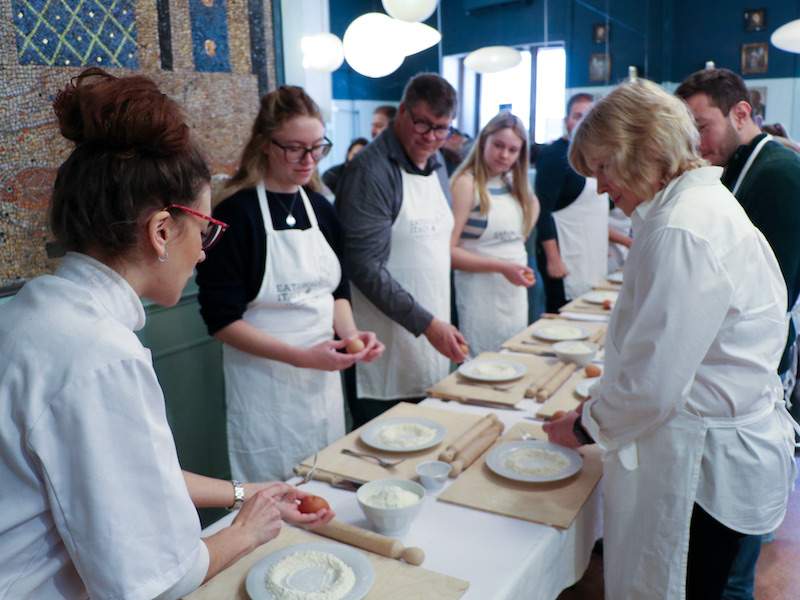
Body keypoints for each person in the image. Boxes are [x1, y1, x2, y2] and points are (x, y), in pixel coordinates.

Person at [0, 68, 333, 600]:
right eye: (203, 230)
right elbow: (149, 581)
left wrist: (249, 493)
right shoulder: (99, 356)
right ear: (161, 231)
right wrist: (245, 533)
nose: (202, 252)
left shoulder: (32, 313)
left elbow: (135, 477)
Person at [544, 79, 796, 600]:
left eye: (603, 169)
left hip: (700, 464)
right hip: (707, 442)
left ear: (643, 148)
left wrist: (586, 423)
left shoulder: (685, 227)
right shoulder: (691, 209)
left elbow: (653, 385)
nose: (599, 188)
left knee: (683, 586)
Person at [196, 86, 383, 482]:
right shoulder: (236, 216)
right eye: (295, 148)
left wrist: (353, 339)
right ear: (265, 144)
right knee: (274, 496)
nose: (309, 160)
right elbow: (221, 322)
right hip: (266, 388)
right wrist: (300, 357)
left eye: (318, 147)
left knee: (324, 479)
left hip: (321, 382)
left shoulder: (321, 209)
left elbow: (335, 291)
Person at [676, 67, 800, 600]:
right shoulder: (735, 166)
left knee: (731, 555)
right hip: (733, 368)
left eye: (702, 126)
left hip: (754, 368)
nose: (696, 143)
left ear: (741, 112)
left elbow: (774, 290)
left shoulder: (779, 173)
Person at [337, 73, 466, 427]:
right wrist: (427, 324)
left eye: (442, 129)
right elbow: (364, 267)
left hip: (430, 332)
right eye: (423, 124)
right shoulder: (371, 172)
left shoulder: (438, 163)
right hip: (383, 344)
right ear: (402, 112)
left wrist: (437, 324)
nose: (431, 137)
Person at [450, 112, 539, 355]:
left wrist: (520, 239)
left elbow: (534, 204)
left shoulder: (513, 182)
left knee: (512, 357)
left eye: (513, 150)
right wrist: (501, 266)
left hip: (513, 293)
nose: (504, 155)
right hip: (479, 295)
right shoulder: (466, 183)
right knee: (481, 365)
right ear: (483, 142)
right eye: (498, 145)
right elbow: (449, 253)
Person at [534, 93, 609, 312]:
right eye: (577, 116)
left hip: (592, 257)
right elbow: (543, 211)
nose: (583, 123)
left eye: (589, 117)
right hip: (565, 262)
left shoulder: (598, 157)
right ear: (566, 120)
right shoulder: (554, 156)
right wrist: (553, 259)